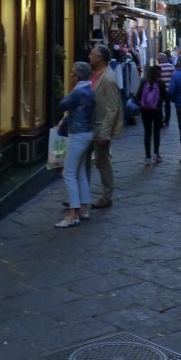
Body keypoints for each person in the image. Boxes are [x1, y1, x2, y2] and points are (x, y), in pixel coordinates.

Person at [55, 61, 95, 228]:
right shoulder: (89, 90)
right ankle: (84, 207)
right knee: (79, 172)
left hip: (77, 134)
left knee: (68, 173)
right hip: (87, 132)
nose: (70, 76)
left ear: (77, 76)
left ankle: (73, 213)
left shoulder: (78, 91)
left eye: (72, 73)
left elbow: (62, 104)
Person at [87, 43, 125, 208]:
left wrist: (105, 133)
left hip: (100, 126)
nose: (89, 56)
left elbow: (112, 108)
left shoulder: (108, 78)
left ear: (99, 58)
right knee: (83, 161)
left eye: (92, 54)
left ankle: (107, 196)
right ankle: (81, 196)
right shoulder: (92, 75)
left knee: (102, 163)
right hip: (88, 125)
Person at [135, 64, 168, 165]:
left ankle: (147, 157)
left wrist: (141, 103)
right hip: (157, 110)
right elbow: (166, 97)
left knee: (147, 133)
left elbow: (137, 97)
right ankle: (156, 154)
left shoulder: (144, 82)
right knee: (156, 132)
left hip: (145, 110)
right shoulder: (160, 83)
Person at [156, 52, 176, 127]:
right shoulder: (171, 66)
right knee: (168, 106)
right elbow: (174, 78)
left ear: (160, 59)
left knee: (159, 106)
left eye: (158, 59)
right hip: (168, 89)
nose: (157, 60)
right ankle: (167, 121)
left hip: (160, 90)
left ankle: (161, 120)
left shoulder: (157, 67)